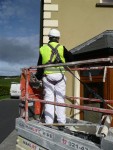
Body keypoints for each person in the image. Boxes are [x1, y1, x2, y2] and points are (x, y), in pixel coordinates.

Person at [36, 29, 74, 125]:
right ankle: (61, 123)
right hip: (60, 76)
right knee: (60, 99)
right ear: (58, 38)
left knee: (49, 99)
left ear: (49, 38)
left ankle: (49, 122)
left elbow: (39, 66)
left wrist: (38, 77)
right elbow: (71, 59)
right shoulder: (62, 48)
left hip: (48, 76)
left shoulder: (43, 49)